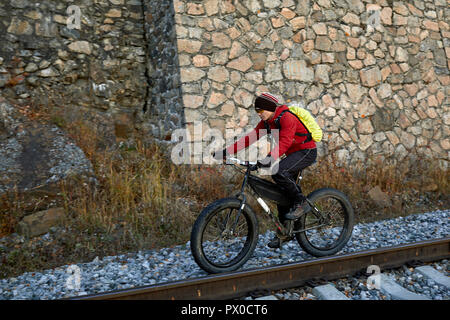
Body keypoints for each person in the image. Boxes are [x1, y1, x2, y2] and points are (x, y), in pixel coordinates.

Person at [213, 92, 317, 248]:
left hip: (306, 151)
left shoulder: (287, 117)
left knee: (278, 171)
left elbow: (285, 142)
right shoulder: (267, 122)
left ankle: (301, 202)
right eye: (257, 111)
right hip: (292, 154)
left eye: (261, 111)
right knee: (282, 192)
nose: (259, 114)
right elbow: (249, 138)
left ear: (270, 108)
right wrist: (226, 152)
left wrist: (268, 159)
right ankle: (285, 232)